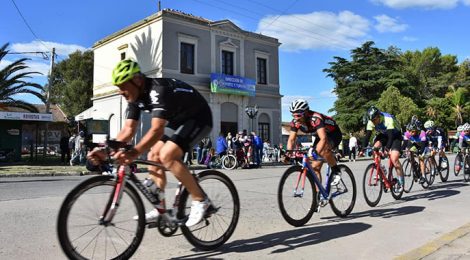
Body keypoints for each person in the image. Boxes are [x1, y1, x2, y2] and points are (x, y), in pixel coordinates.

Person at [87, 59, 213, 227]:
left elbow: (156, 130)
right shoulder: (134, 98)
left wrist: (133, 153)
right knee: (154, 154)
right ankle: (161, 209)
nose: (120, 91)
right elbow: (128, 130)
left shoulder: (158, 90)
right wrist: (106, 150)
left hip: (199, 117)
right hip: (178, 120)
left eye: (123, 85)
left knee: (168, 155)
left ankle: (201, 200)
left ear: (137, 80)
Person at [286, 99, 342, 196]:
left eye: (298, 115)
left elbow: (324, 138)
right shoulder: (295, 122)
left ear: (306, 113)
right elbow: (291, 139)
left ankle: (336, 171)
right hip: (319, 135)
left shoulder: (315, 119)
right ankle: (318, 195)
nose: (296, 118)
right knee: (315, 167)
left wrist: (315, 152)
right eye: (293, 115)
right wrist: (288, 154)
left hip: (333, 133)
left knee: (325, 149)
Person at [359, 106, 404, 191]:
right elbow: (367, 136)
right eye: (372, 121)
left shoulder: (388, 119)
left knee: (394, 158)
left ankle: (401, 181)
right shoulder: (371, 122)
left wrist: (387, 149)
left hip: (395, 135)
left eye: (375, 120)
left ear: (379, 116)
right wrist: (362, 149)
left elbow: (390, 137)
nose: (374, 122)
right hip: (384, 135)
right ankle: (382, 170)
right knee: (374, 148)